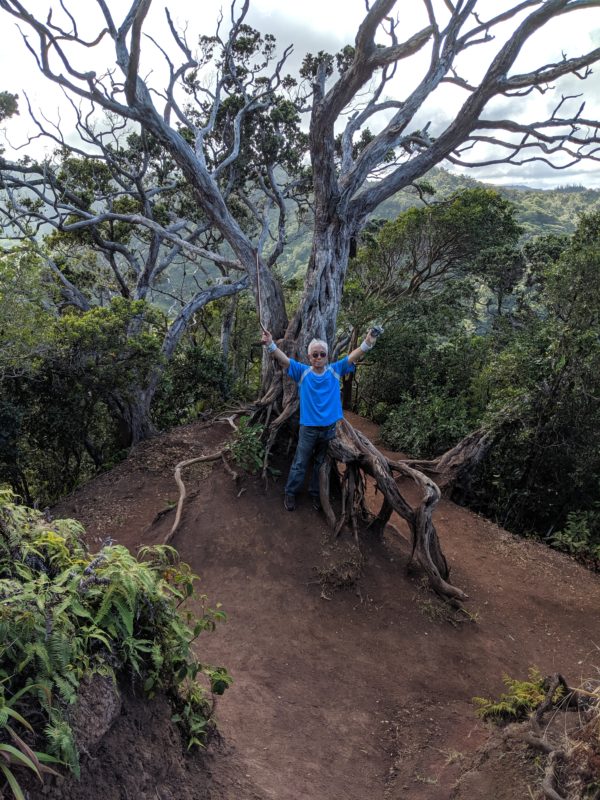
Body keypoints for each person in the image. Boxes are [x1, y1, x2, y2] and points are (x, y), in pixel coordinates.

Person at [261, 327, 379, 511]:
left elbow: (353, 356)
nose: (318, 357)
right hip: (308, 429)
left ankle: (316, 494)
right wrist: (270, 345)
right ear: (309, 357)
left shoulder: (334, 370)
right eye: (314, 354)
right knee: (300, 462)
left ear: (327, 356)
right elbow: (284, 360)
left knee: (320, 463)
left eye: (322, 354)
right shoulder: (303, 372)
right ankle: (290, 493)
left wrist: (369, 342)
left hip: (329, 429)